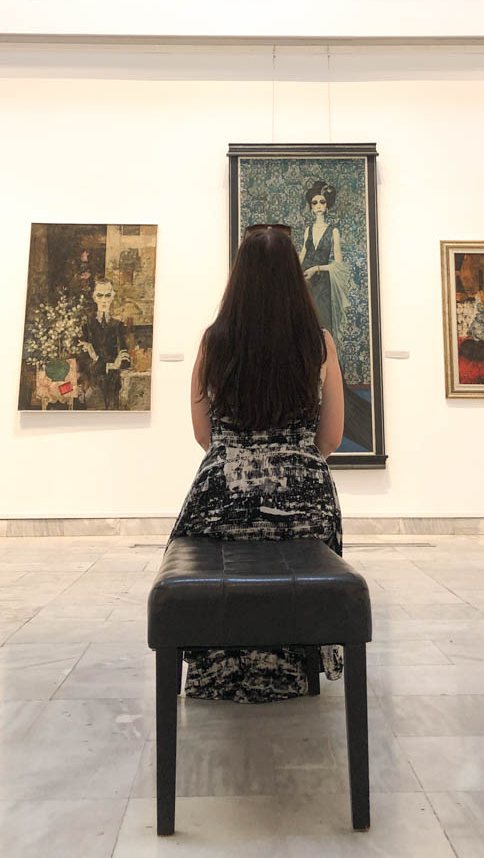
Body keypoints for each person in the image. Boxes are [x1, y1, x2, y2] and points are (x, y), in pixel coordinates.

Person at [169, 224, 345, 703]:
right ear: (295, 279)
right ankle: (294, 666)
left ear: (238, 280)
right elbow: (329, 439)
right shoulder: (319, 344)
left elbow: (204, 436)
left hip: (221, 498)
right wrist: (287, 463)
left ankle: (217, 666)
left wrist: (244, 460)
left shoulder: (214, 342)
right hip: (304, 500)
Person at [299, 181, 350, 349]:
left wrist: (316, 269)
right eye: (315, 202)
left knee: (322, 325)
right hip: (305, 282)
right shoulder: (308, 230)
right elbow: (302, 255)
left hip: (321, 285)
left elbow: (338, 264)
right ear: (311, 207)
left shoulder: (333, 230)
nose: (319, 206)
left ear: (327, 205)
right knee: (302, 323)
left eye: (322, 202)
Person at [77, 277, 130, 409]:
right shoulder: (86, 326)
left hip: (113, 385)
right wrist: (111, 364)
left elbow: (125, 361)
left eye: (107, 295)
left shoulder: (118, 325)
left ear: (112, 297)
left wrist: (96, 358)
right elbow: (83, 362)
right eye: (100, 295)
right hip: (93, 386)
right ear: (95, 297)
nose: (104, 300)